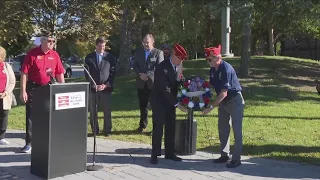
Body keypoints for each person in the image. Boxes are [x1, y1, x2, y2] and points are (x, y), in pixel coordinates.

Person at [20, 31, 65, 153]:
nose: (52, 43)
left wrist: (63, 90)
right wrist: (23, 91)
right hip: (34, 88)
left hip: (49, 88)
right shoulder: (32, 54)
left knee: (49, 115)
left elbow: (59, 73)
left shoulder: (55, 55)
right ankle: (29, 143)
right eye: (49, 41)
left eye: (53, 41)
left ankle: (46, 141)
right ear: (42, 41)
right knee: (31, 116)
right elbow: (24, 73)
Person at [202, 44, 245, 168]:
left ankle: (236, 159)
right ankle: (224, 155)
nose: (207, 62)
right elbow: (211, 85)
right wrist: (197, 89)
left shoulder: (226, 69)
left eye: (209, 59)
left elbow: (223, 93)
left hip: (234, 101)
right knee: (223, 129)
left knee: (237, 131)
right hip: (224, 103)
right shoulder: (213, 69)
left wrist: (210, 107)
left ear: (217, 58)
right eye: (207, 60)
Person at [150, 43, 188, 164]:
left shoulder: (178, 67)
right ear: (173, 55)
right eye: (179, 58)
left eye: (182, 59)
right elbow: (165, 88)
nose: (180, 61)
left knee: (171, 127)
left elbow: (178, 83)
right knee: (158, 128)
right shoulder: (162, 67)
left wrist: (182, 81)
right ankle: (154, 154)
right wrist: (177, 104)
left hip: (170, 102)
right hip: (159, 101)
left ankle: (170, 153)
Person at [84, 37, 116, 137]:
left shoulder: (110, 57)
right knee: (93, 110)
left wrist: (106, 85)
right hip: (93, 89)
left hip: (106, 88)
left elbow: (113, 73)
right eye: (100, 46)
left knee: (107, 110)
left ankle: (107, 130)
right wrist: (93, 85)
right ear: (96, 45)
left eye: (103, 46)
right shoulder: (89, 57)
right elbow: (86, 73)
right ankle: (95, 130)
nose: (102, 48)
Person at [133, 33, 164, 133]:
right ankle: (143, 125)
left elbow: (159, 67)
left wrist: (148, 75)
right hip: (141, 83)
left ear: (152, 42)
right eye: (144, 42)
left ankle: (156, 128)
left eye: (148, 42)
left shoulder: (158, 53)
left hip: (153, 84)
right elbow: (135, 65)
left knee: (155, 107)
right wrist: (140, 74)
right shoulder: (138, 52)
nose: (146, 44)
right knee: (143, 106)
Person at [0, 46, 16, 145]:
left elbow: (12, 81)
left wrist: (6, 92)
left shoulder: (6, 66)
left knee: (4, 115)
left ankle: (1, 137)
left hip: (4, 95)